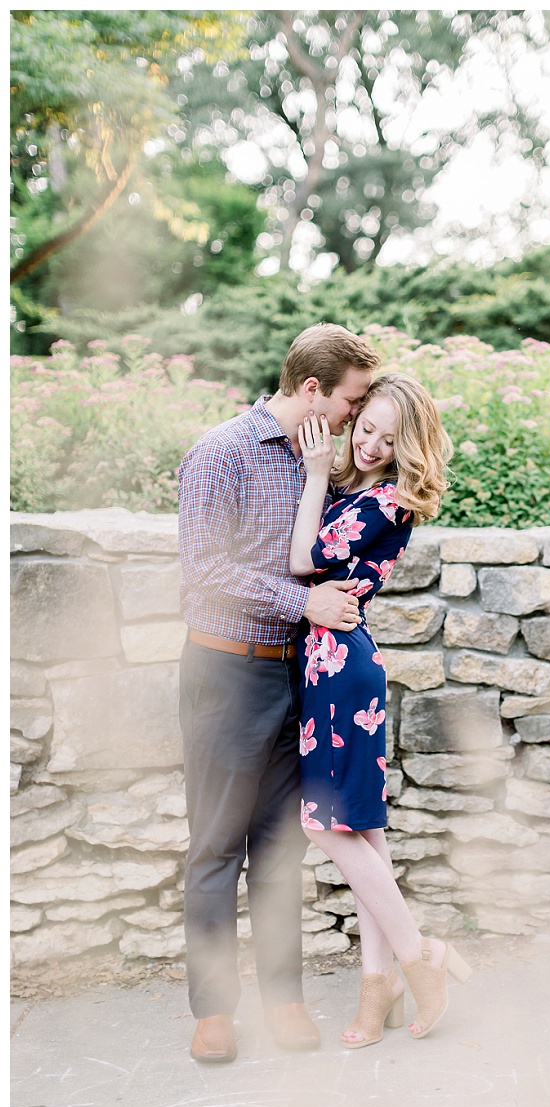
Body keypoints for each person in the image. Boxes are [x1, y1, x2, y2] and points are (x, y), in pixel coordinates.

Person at [177, 323, 377, 1063]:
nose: (357, 414)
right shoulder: (221, 452)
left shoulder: (321, 460)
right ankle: (213, 1013)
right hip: (226, 672)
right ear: (315, 389)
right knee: (217, 847)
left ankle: (285, 1000)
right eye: (353, 399)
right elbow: (203, 569)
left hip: (302, 675)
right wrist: (307, 605)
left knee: (280, 849)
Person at [289, 372, 468, 1048]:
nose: (369, 444)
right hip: (326, 664)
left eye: (387, 439)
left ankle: (422, 956)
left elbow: (302, 557)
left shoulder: (389, 502)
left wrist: (313, 475)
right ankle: (379, 985)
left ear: (407, 446)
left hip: (342, 670)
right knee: (365, 831)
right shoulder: (354, 490)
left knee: (321, 825)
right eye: (364, 428)